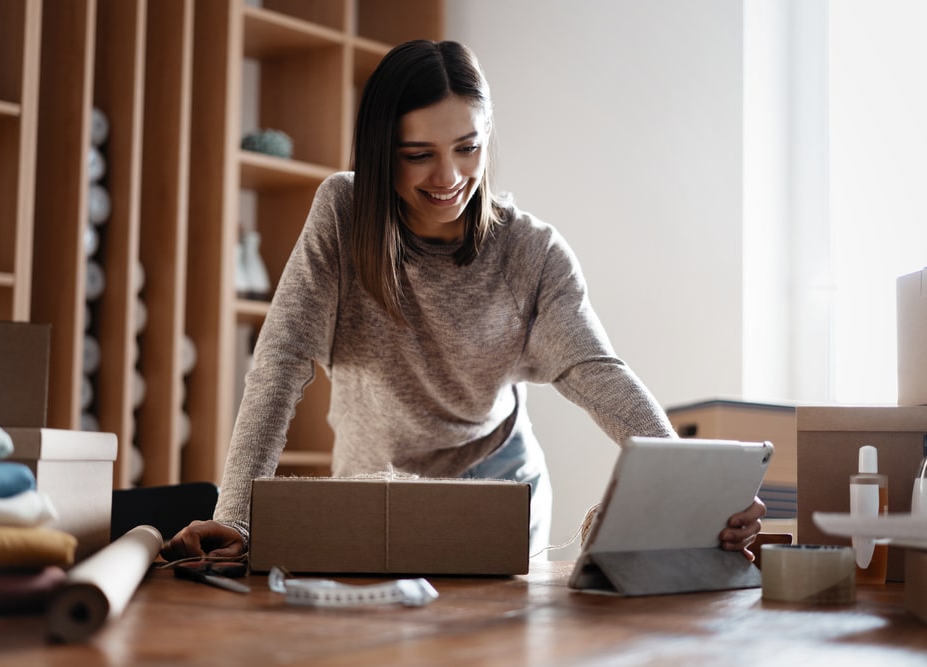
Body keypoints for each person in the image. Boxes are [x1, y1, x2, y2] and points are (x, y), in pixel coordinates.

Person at [162, 40, 765, 563]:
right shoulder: (342, 216)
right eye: (418, 154)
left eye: (468, 147)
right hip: (373, 484)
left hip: (500, 489)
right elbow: (281, 361)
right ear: (381, 151)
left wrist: (697, 492)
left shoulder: (531, 251)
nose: (448, 176)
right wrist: (237, 513)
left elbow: (596, 373)